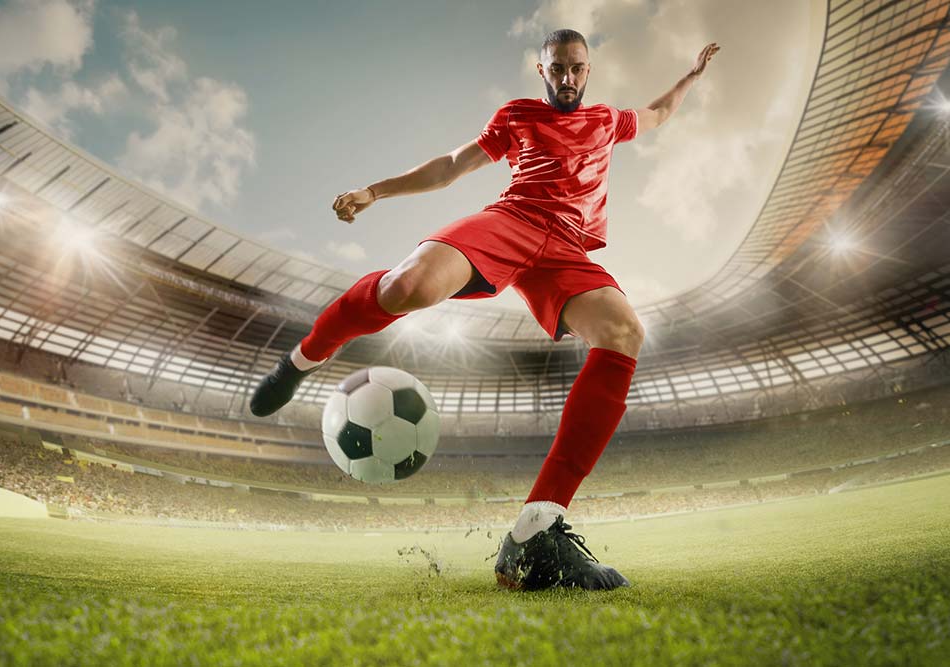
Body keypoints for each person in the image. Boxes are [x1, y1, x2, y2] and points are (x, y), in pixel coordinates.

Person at [250, 29, 719, 590]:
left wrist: (690, 78)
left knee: (624, 330)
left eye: (577, 68)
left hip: (566, 251)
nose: (567, 78)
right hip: (512, 222)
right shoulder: (518, 115)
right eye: (558, 69)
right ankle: (301, 360)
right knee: (407, 288)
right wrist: (374, 191)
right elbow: (451, 166)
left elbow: (660, 112)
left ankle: (536, 529)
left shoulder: (607, 122)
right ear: (540, 70)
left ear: (587, 72)